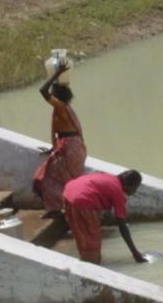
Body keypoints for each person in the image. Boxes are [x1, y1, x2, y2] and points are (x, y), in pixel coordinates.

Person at [33, 62, 86, 218]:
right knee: (70, 180)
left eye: (53, 91)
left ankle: (58, 209)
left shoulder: (61, 107)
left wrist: (56, 74)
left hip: (68, 148)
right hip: (74, 147)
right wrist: (53, 147)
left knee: (46, 179)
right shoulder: (66, 108)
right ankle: (71, 209)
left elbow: (42, 90)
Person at [63, 169, 147, 264]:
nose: (134, 192)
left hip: (68, 194)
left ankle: (85, 259)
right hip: (81, 202)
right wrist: (135, 253)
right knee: (92, 238)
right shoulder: (117, 191)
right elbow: (122, 226)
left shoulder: (107, 176)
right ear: (127, 186)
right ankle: (91, 266)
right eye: (135, 188)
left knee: (82, 233)